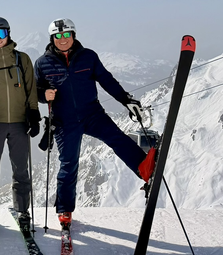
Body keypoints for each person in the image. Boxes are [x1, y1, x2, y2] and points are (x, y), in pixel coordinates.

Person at [34, 18, 147, 229]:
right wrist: (44, 95)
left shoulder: (88, 57)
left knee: (117, 138)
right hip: (63, 120)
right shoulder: (42, 63)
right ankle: (64, 210)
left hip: (92, 113)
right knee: (69, 164)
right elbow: (35, 92)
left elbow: (106, 80)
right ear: (52, 39)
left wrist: (126, 100)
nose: (63, 39)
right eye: (58, 36)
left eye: (66, 35)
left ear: (74, 36)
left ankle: (145, 169)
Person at [0, 17, 41, 240]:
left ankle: (22, 210)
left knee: (21, 168)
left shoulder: (22, 59)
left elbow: (31, 89)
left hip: (20, 123)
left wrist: (33, 114)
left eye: (2, 33)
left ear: (9, 34)